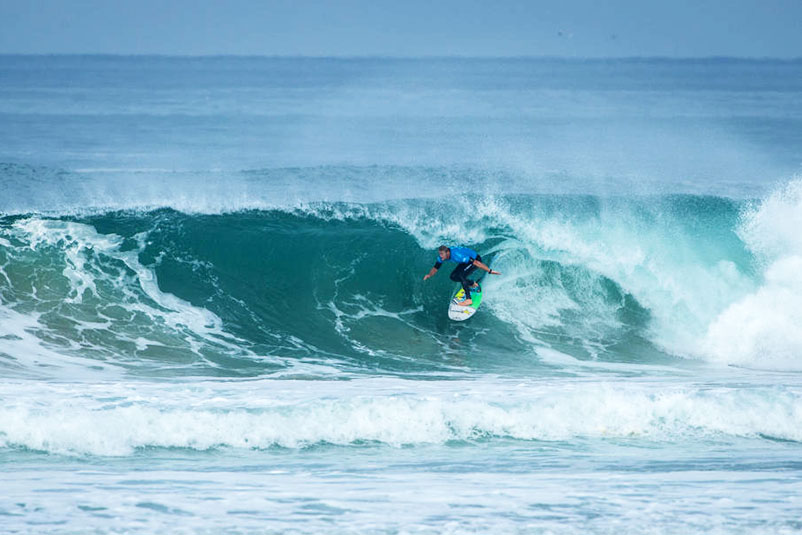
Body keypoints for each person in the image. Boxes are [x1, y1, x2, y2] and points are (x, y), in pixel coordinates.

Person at [423, 245, 501, 306]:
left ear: (447, 252)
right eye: (440, 254)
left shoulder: (457, 255)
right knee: (453, 276)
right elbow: (436, 267)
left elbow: (476, 263)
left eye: (442, 254)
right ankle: (473, 284)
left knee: (461, 276)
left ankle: (468, 300)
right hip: (465, 262)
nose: (441, 256)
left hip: (475, 260)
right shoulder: (442, 257)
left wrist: (490, 271)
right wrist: (429, 275)